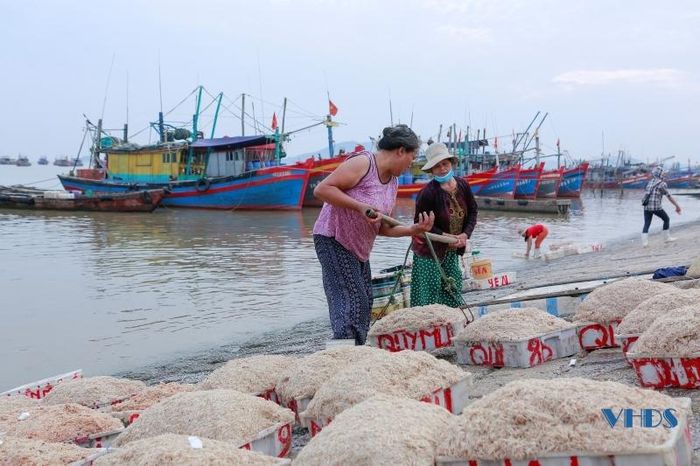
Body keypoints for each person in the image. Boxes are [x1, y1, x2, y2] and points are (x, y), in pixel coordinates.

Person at [313, 125, 435, 345]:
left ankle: (356, 349)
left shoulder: (393, 182)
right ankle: (343, 353)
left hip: (359, 248)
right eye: (412, 157)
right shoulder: (364, 163)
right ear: (400, 151)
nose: (411, 164)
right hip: (333, 238)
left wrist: (412, 230)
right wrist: (359, 206)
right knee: (351, 302)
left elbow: (381, 227)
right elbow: (322, 189)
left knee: (365, 300)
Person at [410, 143, 478, 307]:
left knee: (453, 286)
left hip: (453, 249)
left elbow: (473, 211)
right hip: (429, 251)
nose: (442, 169)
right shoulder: (427, 193)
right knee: (429, 293)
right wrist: (447, 237)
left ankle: (451, 322)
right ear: (431, 170)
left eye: (445, 164)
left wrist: (464, 235)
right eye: (437, 166)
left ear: (451, 163)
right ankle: (427, 328)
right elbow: (420, 226)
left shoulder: (463, 185)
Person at [642, 166, 682, 247]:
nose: (664, 174)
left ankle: (645, 243)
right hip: (656, 207)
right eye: (663, 173)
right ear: (659, 174)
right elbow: (669, 196)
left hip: (646, 206)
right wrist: (677, 206)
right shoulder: (662, 183)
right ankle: (666, 238)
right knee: (666, 219)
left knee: (647, 223)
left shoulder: (650, 182)